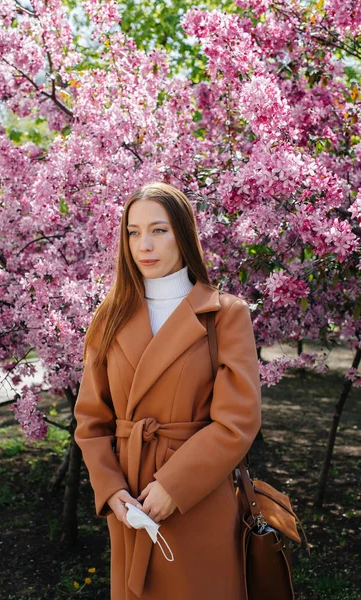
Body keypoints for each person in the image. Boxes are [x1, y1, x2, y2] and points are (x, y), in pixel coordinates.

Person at [74, 181, 262, 600]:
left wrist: (174, 486)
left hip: (198, 495)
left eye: (158, 230)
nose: (145, 244)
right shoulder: (108, 316)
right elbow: (91, 421)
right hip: (130, 503)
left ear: (183, 233)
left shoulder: (224, 314)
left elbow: (237, 420)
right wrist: (111, 489)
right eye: (134, 232)